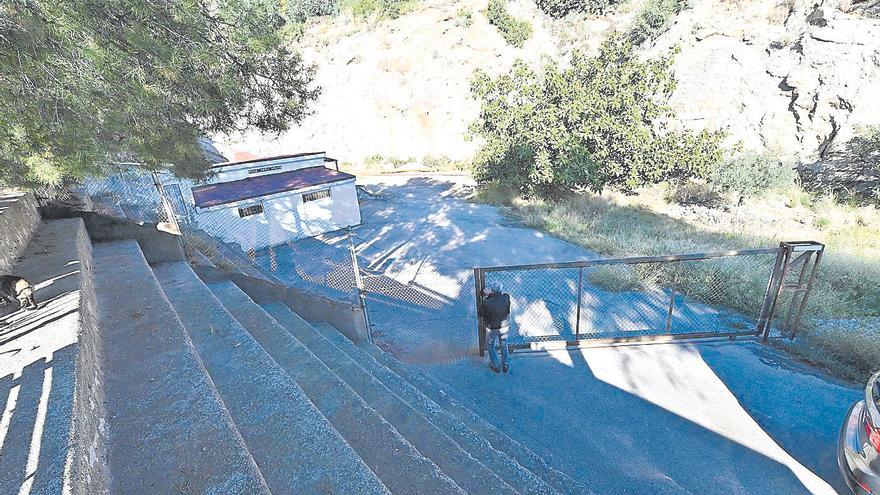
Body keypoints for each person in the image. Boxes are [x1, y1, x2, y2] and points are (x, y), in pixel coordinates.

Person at [480, 282, 510, 373]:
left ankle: (495, 365)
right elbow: (501, 296)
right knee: (504, 345)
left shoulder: (486, 302)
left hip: (492, 328)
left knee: (490, 345)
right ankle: (505, 364)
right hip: (504, 327)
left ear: (492, 290)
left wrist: (488, 296)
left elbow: (481, 313)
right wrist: (491, 294)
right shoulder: (506, 297)